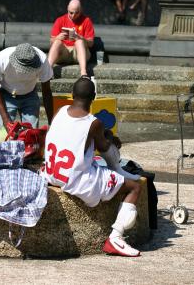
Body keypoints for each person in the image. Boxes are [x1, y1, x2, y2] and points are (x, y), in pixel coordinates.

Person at [43, 76, 142, 257]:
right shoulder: (93, 122)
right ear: (94, 97)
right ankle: (116, 238)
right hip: (78, 182)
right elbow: (104, 148)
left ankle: (116, 238)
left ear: (72, 94)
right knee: (134, 187)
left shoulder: (60, 110)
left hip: (51, 173)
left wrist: (102, 135)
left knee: (93, 163)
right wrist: (110, 139)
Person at [0, 43, 54, 129]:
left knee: (31, 134)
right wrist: (5, 119)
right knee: (3, 133)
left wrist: (51, 122)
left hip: (30, 95)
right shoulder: (1, 59)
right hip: (6, 95)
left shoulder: (42, 60)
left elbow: (47, 91)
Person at [48, 0, 95, 77]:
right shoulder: (60, 20)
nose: (73, 15)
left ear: (81, 10)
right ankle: (47, 71)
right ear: (67, 8)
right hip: (64, 51)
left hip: (79, 53)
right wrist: (57, 37)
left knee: (79, 42)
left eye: (77, 13)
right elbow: (51, 42)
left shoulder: (86, 21)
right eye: (71, 12)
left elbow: (91, 44)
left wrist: (81, 38)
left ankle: (83, 72)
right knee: (57, 42)